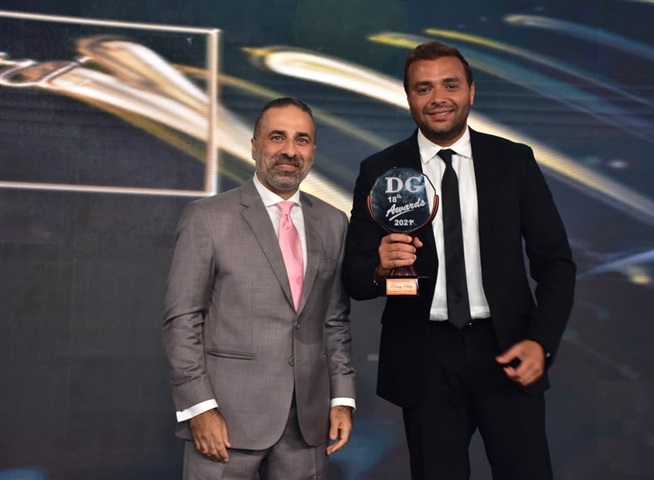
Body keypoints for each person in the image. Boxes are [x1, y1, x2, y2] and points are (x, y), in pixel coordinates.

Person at [342, 42, 575, 479]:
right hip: (424, 358)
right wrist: (378, 266)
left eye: (450, 85)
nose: (438, 98)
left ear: (471, 90)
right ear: (408, 97)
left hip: (507, 348)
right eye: (423, 88)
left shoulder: (514, 161)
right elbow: (355, 279)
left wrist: (541, 341)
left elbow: (556, 263)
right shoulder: (379, 170)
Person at [163, 97, 355, 480]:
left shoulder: (334, 222)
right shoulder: (207, 218)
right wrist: (200, 408)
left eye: (302, 140)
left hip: (308, 425)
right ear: (254, 146)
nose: (290, 150)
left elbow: (334, 321)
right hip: (225, 422)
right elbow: (182, 321)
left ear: (313, 151)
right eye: (277, 137)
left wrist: (342, 398)